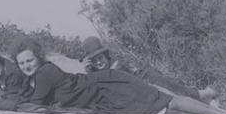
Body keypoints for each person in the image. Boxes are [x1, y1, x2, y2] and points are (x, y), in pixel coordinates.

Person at [11, 37, 226, 114]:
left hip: (107, 87)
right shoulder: (42, 73)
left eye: (29, 60)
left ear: (38, 58)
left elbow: (36, 102)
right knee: (159, 110)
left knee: (165, 101)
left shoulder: (44, 73)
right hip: (104, 97)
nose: (26, 66)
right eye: (22, 63)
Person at [80, 36, 217, 103]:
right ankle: (202, 97)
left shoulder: (116, 64)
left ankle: (205, 93)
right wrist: (89, 71)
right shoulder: (97, 73)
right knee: (175, 95)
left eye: (100, 58)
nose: (99, 62)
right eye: (94, 60)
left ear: (105, 55)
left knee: (175, 89)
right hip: (144, 91)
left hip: (147, 78)